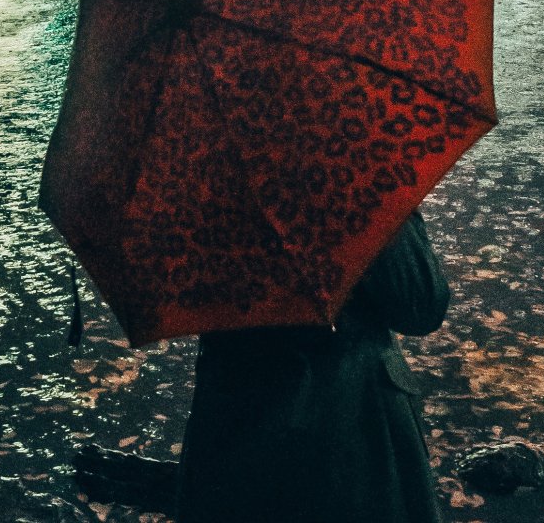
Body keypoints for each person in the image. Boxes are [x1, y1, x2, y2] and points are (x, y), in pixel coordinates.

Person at [176, 210, 450, 523]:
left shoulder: (194, 188)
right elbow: (419, 303)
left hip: (231, 427)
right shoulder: (347, 175)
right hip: (353, 425)